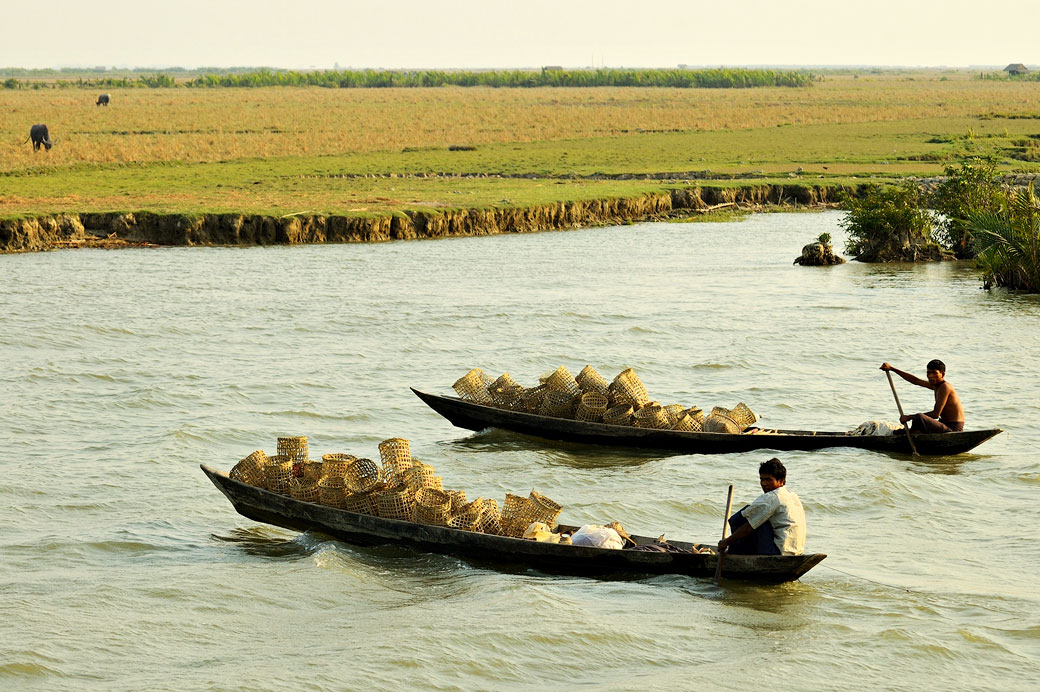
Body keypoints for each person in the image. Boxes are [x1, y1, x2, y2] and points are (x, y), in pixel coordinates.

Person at [717, 458, 806, 556]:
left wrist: (726, 542)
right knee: (753, 513)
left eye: (768, 480)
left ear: (781, 481)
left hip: (777, 552)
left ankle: (738, 552)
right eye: (762, 479)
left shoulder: (772, 497)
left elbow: (747, 528)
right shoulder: (793, 495)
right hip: (796, 551)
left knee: (740, 519)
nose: (764, 484)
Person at [880, 360, 964, 433]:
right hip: (943, 424)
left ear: (942, 374)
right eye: (928, 372)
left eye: (934, 373)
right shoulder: (936, 385)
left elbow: (935, 414)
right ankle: (910, 433)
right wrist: (892, 369)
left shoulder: (945, 387)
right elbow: (915, 380)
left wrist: (909, 417)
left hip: (953, 428)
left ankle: (910, 433)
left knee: (919, 417)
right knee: (918, 422)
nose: (930, 376)